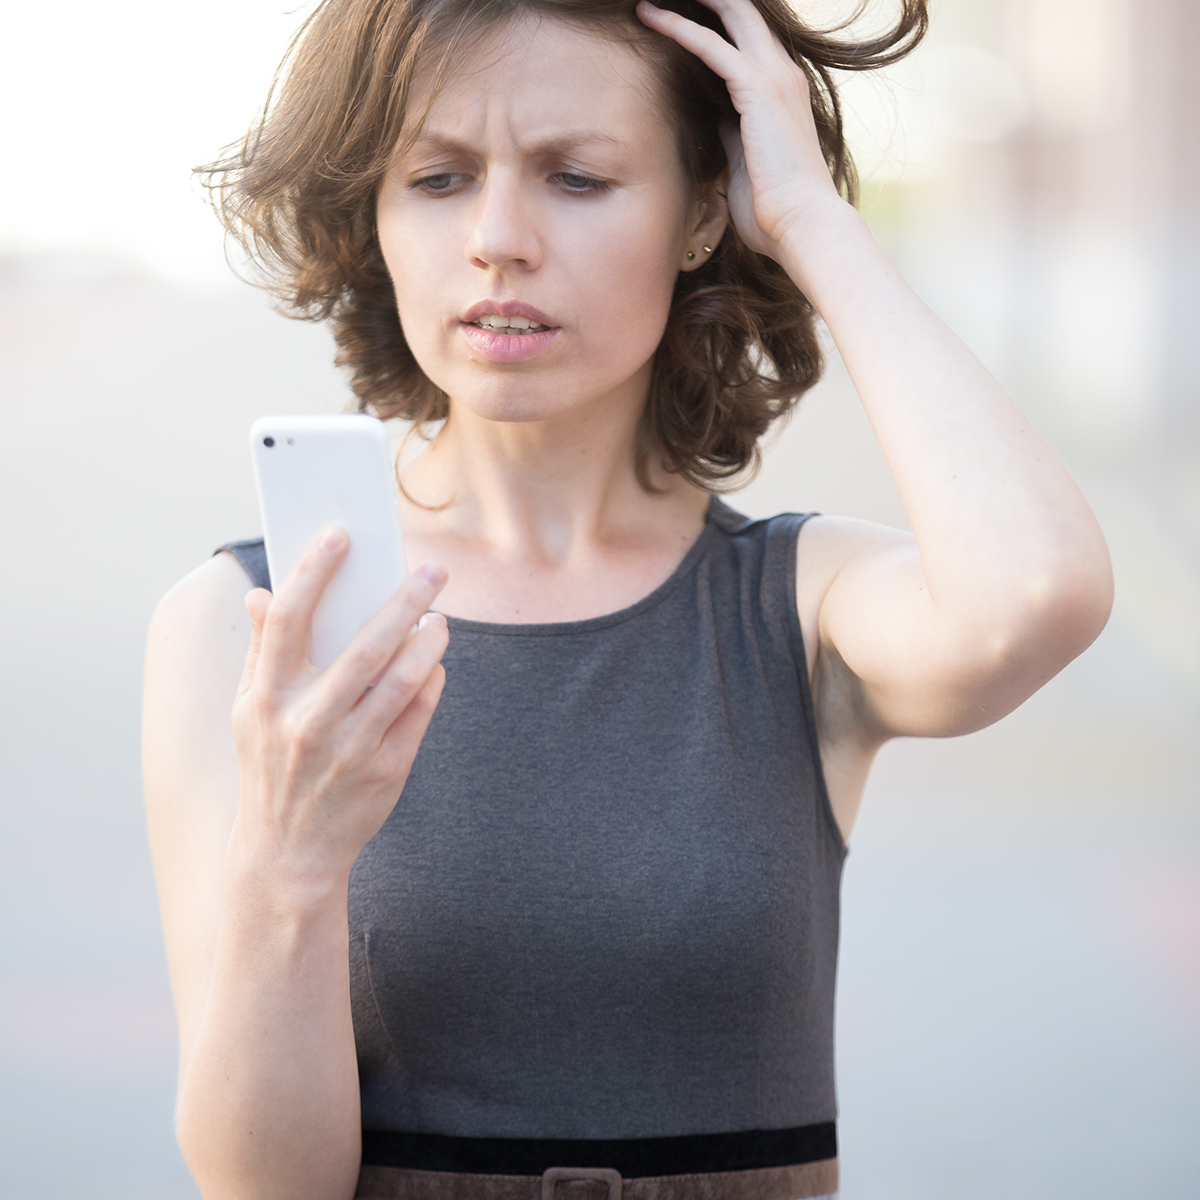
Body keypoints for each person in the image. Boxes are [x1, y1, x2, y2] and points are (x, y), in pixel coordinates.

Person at [141, 1, 1114, 1198]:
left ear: (705, 210)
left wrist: (811, 220)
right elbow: (262, 1188)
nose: (498, 238)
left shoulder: (798, 605)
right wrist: (290, 870)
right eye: (438, 178)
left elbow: (1038, 592)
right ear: (377, 215)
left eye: (579, 179)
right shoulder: (245, 621)